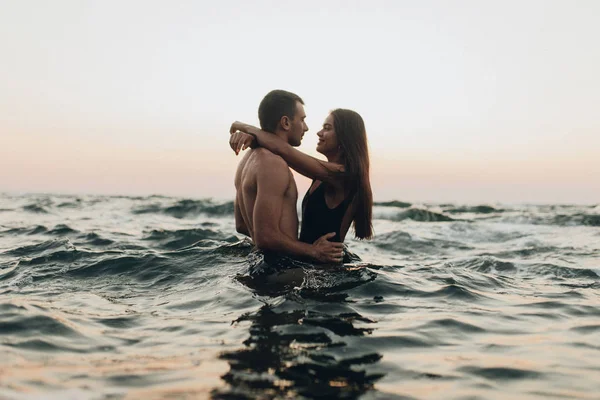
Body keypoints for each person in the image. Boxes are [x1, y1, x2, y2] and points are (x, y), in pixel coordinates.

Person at [233, 90, 344, 268]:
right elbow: (266, 238)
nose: (306, 127)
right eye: (302, 119)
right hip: (278, 269)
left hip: (259, 265)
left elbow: (241, 225)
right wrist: (313, 251)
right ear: (285, 122)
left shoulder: (247, 160)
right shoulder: (273, 164)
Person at [230, 107, 373, 246]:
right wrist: (255, 140)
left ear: (344, 137)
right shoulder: (323, 174)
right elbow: (283, 152)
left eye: (327, 128)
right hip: (310, 263)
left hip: (325, 267)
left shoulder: (344, 176)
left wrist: (243, 127)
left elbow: (283, 149)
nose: (319, 133)